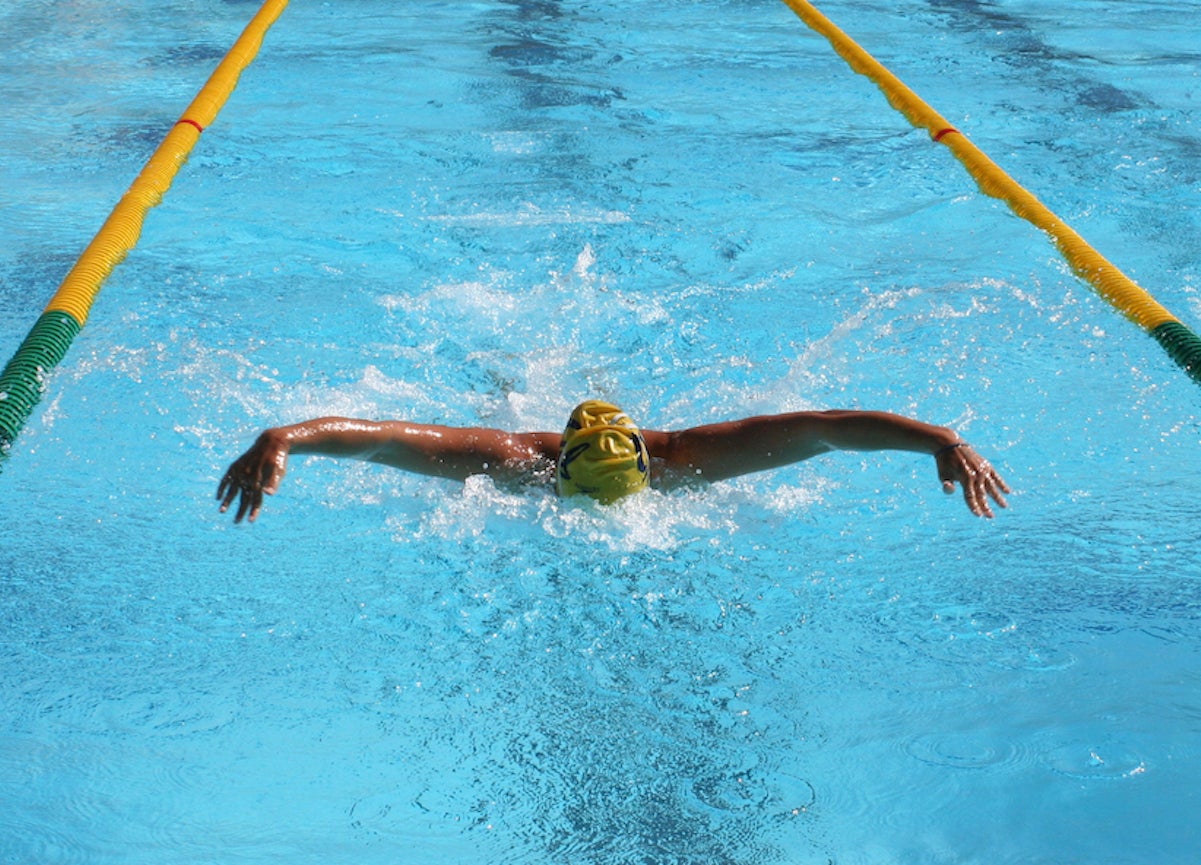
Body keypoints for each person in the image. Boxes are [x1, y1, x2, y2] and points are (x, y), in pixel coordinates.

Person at [217, 399, 1011, 523]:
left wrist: (944, 439)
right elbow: (381, 435)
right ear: (553, 469)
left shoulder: (693, 458)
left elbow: (825, 427)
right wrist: (282, 437)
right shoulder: (504, 460)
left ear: (648, 467)